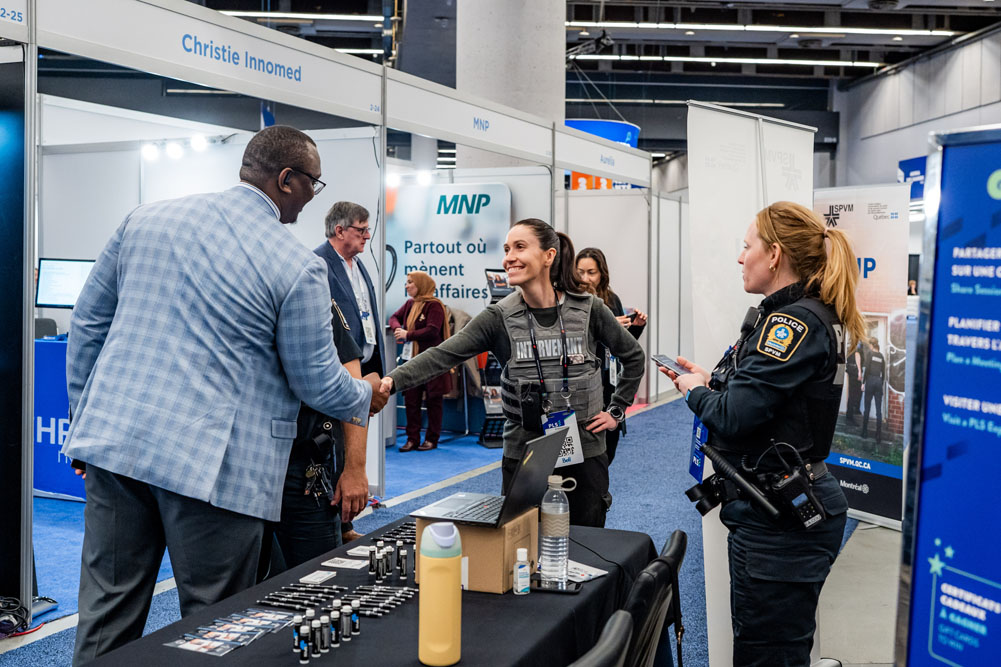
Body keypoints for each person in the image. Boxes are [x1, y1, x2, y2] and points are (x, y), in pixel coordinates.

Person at [62, 125, 388, 665]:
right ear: (287, 180)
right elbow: (313, 380)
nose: (313, 197)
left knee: (105, 619)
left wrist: (84, 421)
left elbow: (88, 326)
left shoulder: (144, 219)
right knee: (212, 627)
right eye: (313, 184)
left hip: (116, 450)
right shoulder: (297, 266)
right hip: (215, 470)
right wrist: (364, 394)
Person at [663, 201, 864, 666]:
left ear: (774, 255)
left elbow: (734, 417)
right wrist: (710, 382)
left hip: (781, 524)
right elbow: (766, 402)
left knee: (766, 656)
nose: (740, 257)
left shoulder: (792, 322)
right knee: (767, 649)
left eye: (746, 246)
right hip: (776, 512)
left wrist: (695, 393)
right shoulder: (801, 315)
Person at [379, 219, 645, 527]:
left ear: (549, 256)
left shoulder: (589, 309)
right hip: (525, 451)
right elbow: (442, 355)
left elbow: (633, 357)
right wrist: (391, 381)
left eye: (520, 247)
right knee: (522, 541)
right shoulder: (499, 317)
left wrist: (616, 410)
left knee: (587, 539)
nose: (509, 258)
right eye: (506, 249)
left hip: (584, 449)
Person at [270, 298, 368, 570]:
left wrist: (355, 468)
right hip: (246, 469)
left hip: (304, 468)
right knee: (253, 584)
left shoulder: (313, 297)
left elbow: (354, 387)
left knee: (318, 576)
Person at [314, 201, 385, 543]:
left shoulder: (358, 266)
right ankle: (337, 526)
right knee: (336, 451)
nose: (367, 236)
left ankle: (345, 525)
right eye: (362, 229)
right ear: (339, 230)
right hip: (337, 371)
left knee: (352, 447)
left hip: (364, 363)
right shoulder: (318, 263)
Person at [575, 247, 647, 464]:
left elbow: (623, 348)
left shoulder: (612, 300)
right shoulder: (572, 301)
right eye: (580, 272)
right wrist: (605, 326)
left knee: (608, 452)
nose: (585, 278)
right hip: (584, 386)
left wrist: (635, 327)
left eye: (591, 272)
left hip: (610, 383)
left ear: (602, 274)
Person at [389, 271, 453, 451]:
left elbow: (432, 330)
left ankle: (432, 439)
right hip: (412, 360)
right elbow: (394, 318)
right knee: (411, 400)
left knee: (434, 400)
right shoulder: (410, 304)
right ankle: (412, 439)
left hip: (432, 360)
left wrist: (408, 334)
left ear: (421, 285)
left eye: (411, 282)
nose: (407, 285)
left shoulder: (434, 306)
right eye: (406, 282)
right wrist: (398, 329)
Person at [861, 336, 886, 444]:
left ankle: (864, 432)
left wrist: (863, 383)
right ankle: (878, 436)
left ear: (872, 345)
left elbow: (866, 370)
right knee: (878, 411)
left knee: (867, 408)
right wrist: (880, 383)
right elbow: (883, 374)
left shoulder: (870, 354)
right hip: (878, 382)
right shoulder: (881, 356)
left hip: (870, 381)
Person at [845, 340, 864, 426]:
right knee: (854, 394)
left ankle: (852, 412)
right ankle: (850, 417)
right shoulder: (856, 348)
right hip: (855, 373)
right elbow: (857, 355)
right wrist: (859, 371)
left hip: (851, 372)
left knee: (853, 394)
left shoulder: (849, 348)